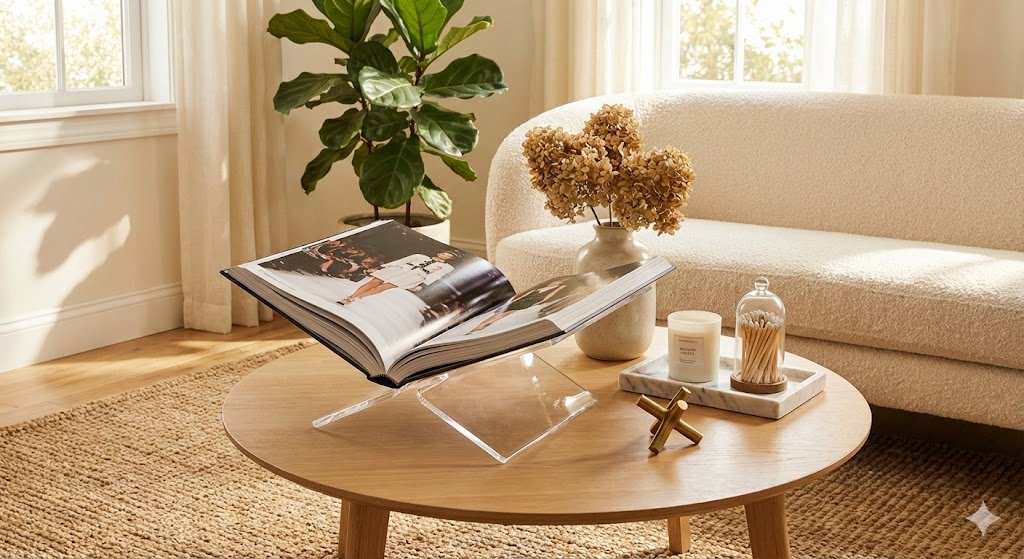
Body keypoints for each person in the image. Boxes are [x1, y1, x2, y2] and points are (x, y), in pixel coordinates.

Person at [339, 251, 457, 305]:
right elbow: (401, 261)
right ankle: (351, 296)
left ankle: (354, 299)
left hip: (414, 276)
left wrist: (420, 285)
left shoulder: (446, 267)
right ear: (439, 253)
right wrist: (383, 266)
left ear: (449, 259)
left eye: (448, 256)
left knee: (382, 288)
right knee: (374, 282)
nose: (445, 256)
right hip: (399, 269)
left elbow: (435, 276)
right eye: (445, 253)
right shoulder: (420, 255)